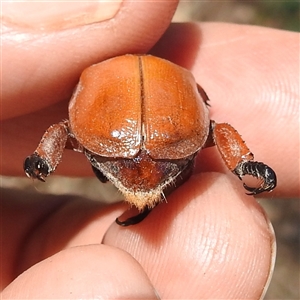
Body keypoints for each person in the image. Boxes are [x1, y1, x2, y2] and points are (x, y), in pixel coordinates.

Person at [1, 1, 299, 299]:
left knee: (68, 132)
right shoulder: (179, 75)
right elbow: (217, 129)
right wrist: (244, 163)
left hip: (117, 142)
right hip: (164, 147)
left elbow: (62, 129)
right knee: (212, 133)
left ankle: (242, 164)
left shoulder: (98, 75)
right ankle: (243, 165)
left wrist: (43, 157)